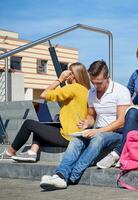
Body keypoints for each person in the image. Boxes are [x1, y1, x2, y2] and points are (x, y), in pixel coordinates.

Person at [39, 60, 131, 190]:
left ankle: (72, 177)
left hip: (117, 133)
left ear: (108, 78)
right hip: (98, 130)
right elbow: (91, 116)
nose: (96, 86)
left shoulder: (121, 91)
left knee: (99, 138)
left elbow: (121, 121)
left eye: (99, 83)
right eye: (93, 82)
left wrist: (99, 131)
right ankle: (60, 175)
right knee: (77, 140)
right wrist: (87, 123)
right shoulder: (92, 93)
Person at [0, 62, 90, 162]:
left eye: (68, 71)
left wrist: (60, 79)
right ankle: (32, 152)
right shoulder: (85, 90)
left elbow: (44, 94)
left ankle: (10, 152)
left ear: (72, 75)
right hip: (75, 134)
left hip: (68, 137)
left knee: (28, 124)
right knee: (43, 125)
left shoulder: (72, 88)